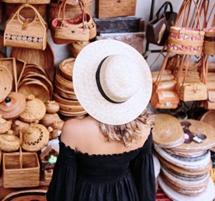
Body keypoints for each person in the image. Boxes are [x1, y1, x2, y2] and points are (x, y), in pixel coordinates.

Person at [47, 40, 156, 201]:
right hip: (125, 193)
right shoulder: (144, 128)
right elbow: (144, 184)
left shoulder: (73, 130)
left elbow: (63, 188)